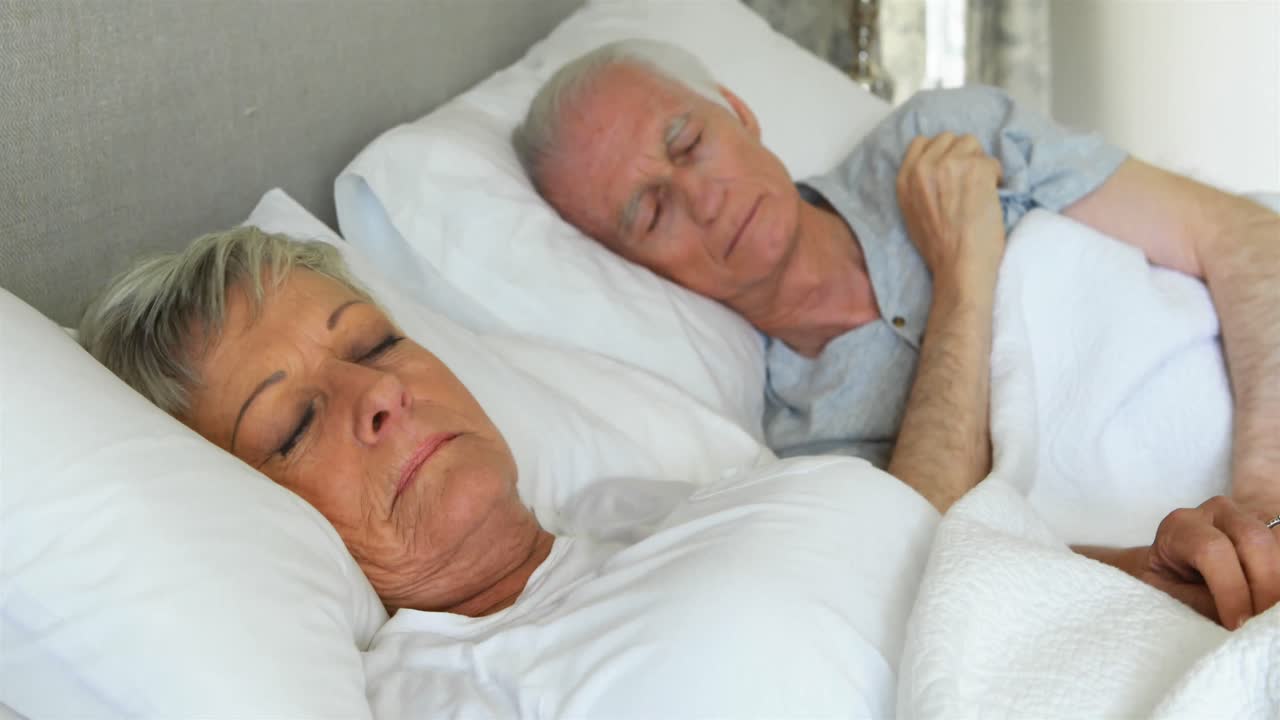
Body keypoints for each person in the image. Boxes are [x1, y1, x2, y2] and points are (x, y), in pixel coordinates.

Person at [79, 225, 1279, 679]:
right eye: (291, 424)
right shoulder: (437, 688)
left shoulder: (639, 505)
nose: (380, 394)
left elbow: (925, 581)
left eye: (375, 341)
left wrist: (1149, 571)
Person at [512, 40, 1280, 622]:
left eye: (688, 145)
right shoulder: (807, 441)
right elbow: (947, 550)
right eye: (651, 211)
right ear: (636, 265)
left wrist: (1263, 494)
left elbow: (1238, 236)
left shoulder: (938, 145)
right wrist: (965, 271)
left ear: (739, 112)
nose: (703, 200)